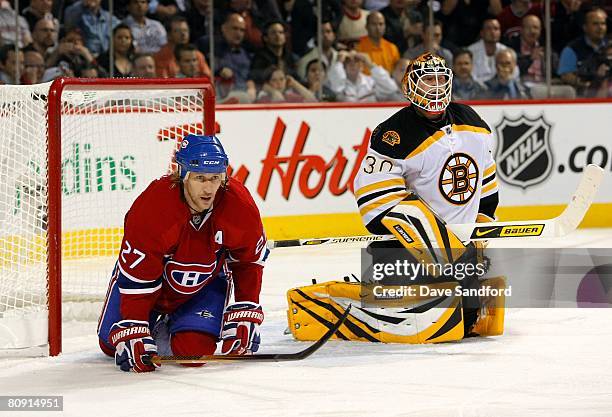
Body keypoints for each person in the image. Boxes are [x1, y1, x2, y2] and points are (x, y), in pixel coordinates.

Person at [350, 52, 500, 341]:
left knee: (466, 320)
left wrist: (478, 234)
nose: (435, 86)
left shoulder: (473, 121)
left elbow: (487, 185)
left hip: (460, 250)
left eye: (441, 79)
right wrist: (440, 247)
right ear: (409, 87)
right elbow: (375, 201)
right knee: (440, 322)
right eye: (428, 79)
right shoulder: (393, 133)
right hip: (407, 252)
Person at [97, 135, 269, 372]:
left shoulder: (239, 206)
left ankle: (176, 327)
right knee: (110, 345)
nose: (209, 188)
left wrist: (246, 306)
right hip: (151, 286)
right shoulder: (153, 208)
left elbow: (248, 262)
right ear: (183, 175)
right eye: (200, 178)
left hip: (203, 286)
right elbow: (139, 279)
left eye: (215, 178)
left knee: (193, 355)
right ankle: (155, 326)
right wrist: (135, 326)